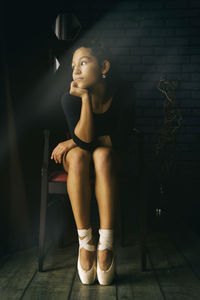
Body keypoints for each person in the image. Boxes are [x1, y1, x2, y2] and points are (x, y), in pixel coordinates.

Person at [51, 40, 135, 285]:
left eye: (83, 63)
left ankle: (106, 245)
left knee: (102, 154)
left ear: (104, 67)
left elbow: (121, 138)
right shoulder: (69, 98)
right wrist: (85, 99)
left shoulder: (125, 92)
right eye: (73, 66)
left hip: (108, 159)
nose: (75, 70)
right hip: (80, 159)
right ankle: (86, 244)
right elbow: (85, 142)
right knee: (79, 155)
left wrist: (70, 142)